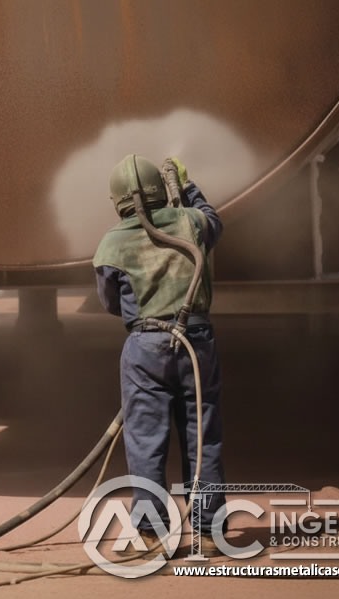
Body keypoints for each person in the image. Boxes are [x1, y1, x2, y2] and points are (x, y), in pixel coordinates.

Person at [93, 154, 225, 556]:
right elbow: (213, 221)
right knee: (202, 439)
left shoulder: (111, 244)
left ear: (117, 200)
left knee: (147, 443)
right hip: (195, 339)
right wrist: (185, 186)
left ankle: (151, 535)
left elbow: (110, 303)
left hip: (145, 347)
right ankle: (207, 534)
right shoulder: (188, 222)